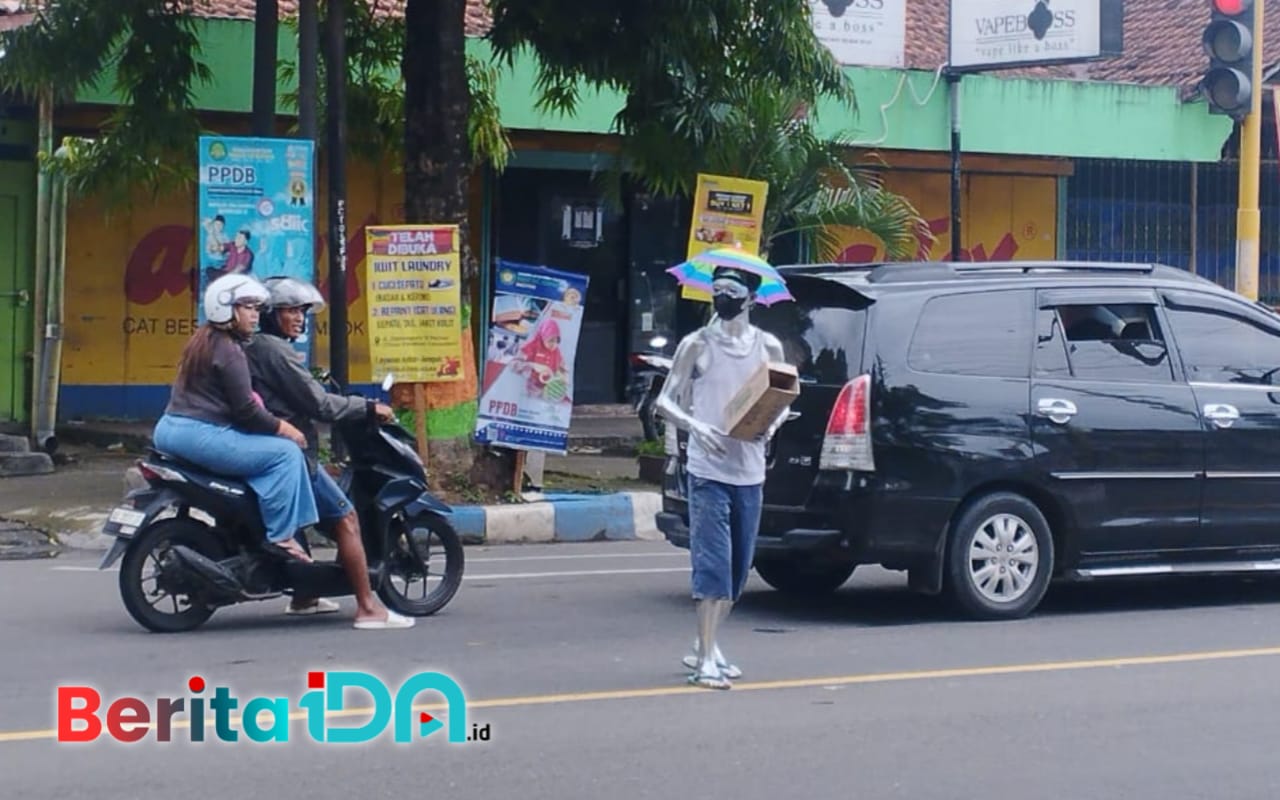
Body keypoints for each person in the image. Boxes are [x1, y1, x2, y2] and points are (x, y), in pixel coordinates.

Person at [245, 276, 414, 631]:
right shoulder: (275, 351)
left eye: (302, 311)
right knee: (346, 519)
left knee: (306, 521)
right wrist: (367, 408)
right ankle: (368, 608)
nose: (298, 317)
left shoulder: (257, 347)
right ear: (271, 315)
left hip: (269, 448)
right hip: (291, 453)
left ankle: (304, 596)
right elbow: (318, 404)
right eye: (290, 310)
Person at [656, 266, 793, 689]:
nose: (722, 297)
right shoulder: (696, 345)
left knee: (737, 570)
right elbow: (665, 401)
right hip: (707, 470)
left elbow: (784, 396)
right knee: (712, 565)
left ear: (751, 297)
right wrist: (696, 427)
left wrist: (770, 424)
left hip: (749, 471)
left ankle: (706, 648)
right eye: (716, 290)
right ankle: (705, 662)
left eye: (731, 291)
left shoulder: (767, 346)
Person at [152, 274, 316, 562]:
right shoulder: (230, 350)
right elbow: (246, 411)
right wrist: (286, 428)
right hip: (200, 435)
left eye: (256, 308)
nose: (255, 315)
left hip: (169, 429)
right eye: (248, 307)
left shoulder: (203, 340)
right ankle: (281, 536)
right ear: (227, 309)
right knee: (287, 454)